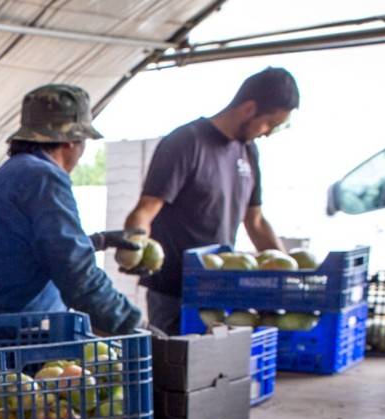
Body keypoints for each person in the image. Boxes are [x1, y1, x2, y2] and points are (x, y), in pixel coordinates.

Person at [124, 67, 300, 333]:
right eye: (269, 124)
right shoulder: (186, 142)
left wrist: (287, 276)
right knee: (174, 366)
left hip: (219, 288)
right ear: (249, 108)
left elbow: (256, 221)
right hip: (174, 290)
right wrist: (133, 247)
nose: (266, 133)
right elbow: (146, 210)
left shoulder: (248, 152)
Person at [0, 84, 145, 335]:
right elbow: (76, 273)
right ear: (70, 141)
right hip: (19, 340)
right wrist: (130, 323)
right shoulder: (43, 178)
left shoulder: (12, 172)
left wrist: (99, 241)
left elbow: (32, 252)